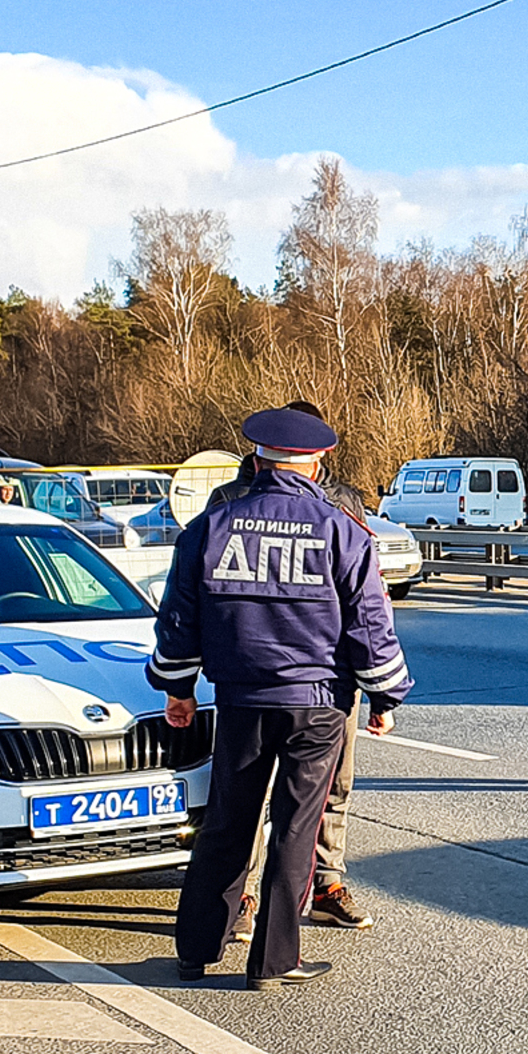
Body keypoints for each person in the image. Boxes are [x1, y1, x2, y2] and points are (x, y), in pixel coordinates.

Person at [150, 407, 412, 988]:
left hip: (242, 697)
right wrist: (385, 696)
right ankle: (274, 961)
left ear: (258, 457)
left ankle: (196, 948)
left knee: (227, 821)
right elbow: (370, 624)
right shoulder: (341, 529)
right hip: (317, 703)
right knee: (297, 828)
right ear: (317, 462)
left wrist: (177, 688)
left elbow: (179, 618)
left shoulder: (212, 525)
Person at [207, 402, 375, 937]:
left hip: (329, 679)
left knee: (332, 789)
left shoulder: (342, 502)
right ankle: (244, 896)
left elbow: (363, 595)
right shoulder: (228, 503)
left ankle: (326, 882)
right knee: (249, 797)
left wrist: (374, 677)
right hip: (256, 677)